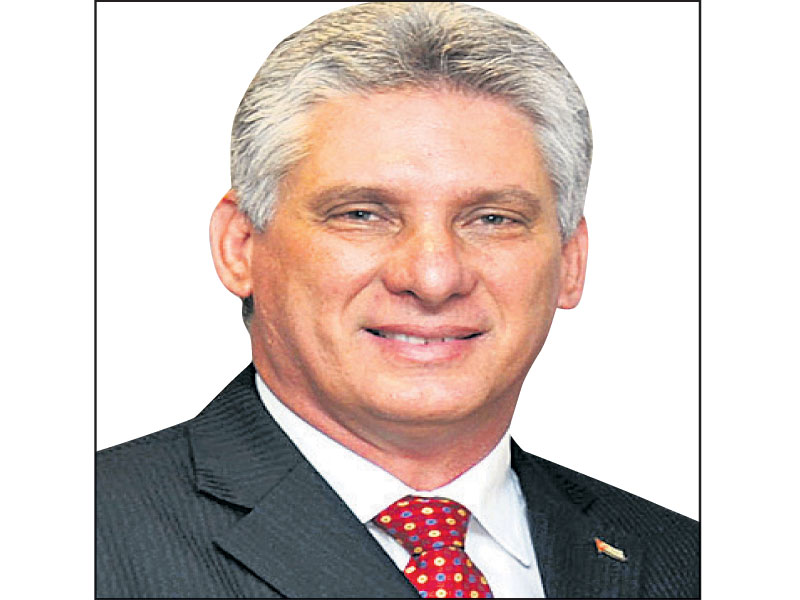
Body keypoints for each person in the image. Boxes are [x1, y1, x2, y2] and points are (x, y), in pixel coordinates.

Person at [96, 3, 698, 598]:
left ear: (570, 261)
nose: (433, 277)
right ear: (241, 247)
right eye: (362, 214)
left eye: (492, 218)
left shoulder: (694, 565)